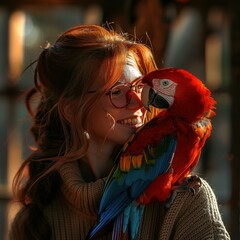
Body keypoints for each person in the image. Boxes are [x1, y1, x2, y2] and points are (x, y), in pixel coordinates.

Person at [9, 24, 230, 240]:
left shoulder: (188, 201)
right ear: (72, 109)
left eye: (137, 88)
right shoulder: (32, 221)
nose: (137, 103)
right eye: (116, 91)